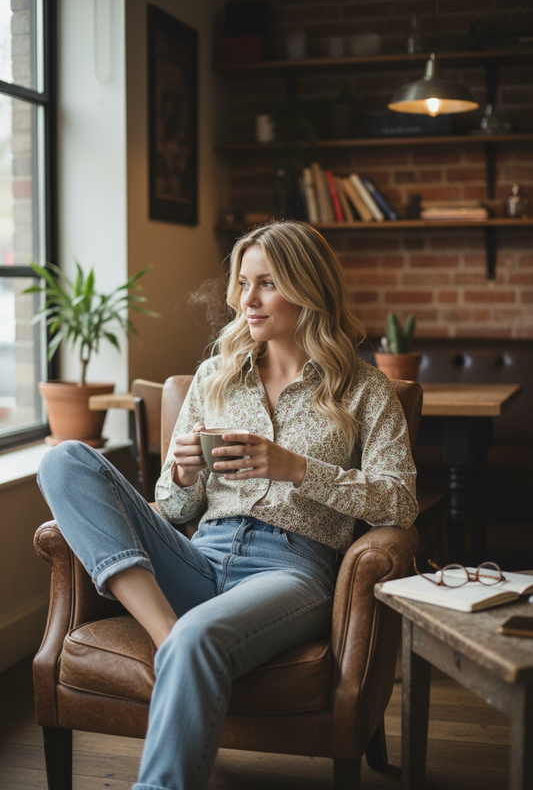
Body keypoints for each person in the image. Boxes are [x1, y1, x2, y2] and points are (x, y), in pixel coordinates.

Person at [37, 220, 418, 790]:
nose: (248, 299)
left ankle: (182, 651)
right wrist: (185, 472)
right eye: (243, 283)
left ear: (307, 288)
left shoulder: (364, 390)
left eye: (266, 283)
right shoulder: (216, 376)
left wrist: (298, 468)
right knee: (63, 460)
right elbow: (171, 503)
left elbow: (400, 503)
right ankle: (171, 636)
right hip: (198, 557)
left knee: (199, 639)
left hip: (291, 570)